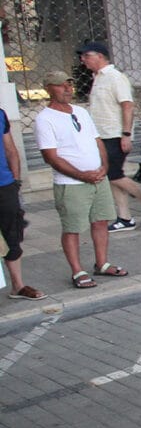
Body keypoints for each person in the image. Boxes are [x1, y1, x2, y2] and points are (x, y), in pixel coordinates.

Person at [34, 71, 129, 289]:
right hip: (71, 184)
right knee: (72, 227)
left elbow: (97, 141)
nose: (67, 89)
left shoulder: (81, 112)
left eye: (69, 84)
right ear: (48, 88)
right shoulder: (44, 119)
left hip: (97, 178)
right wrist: (82, 175)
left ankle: (102, 263)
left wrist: (104, 167)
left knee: (101, 221)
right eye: (61, 85)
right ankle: (77, 270)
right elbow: (51, 157)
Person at [80, 41, 141, 233]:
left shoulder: (115, 77)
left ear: (100, 56)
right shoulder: (97, 78)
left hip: (115, 134)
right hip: (102, 135)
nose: (83, 60)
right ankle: (124, 217)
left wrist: (126, 134)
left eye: (87, 56)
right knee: (113, 176)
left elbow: (127, 106)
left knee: (112, 173)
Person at [1, 105, 45, 300]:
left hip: (5, 185)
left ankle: (18, 286)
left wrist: (15, 182)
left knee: (12, 234)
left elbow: (10, 150)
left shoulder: (0, 114)